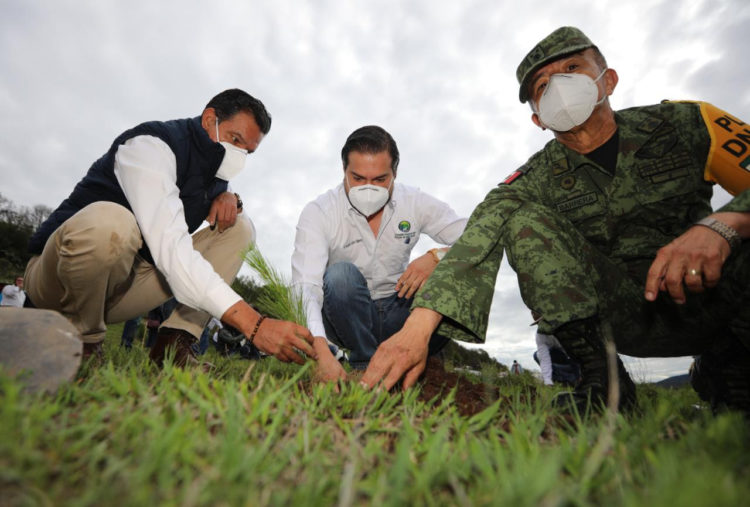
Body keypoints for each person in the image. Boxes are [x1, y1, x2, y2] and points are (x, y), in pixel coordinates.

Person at [361, 26, 750, 415]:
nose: (559, 87)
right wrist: (416, 331)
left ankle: (729, 365)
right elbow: (477, 240)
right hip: (622, 316)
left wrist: (723, 225)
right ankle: (604, 383)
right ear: (538, 119)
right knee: (522, 221)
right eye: (542, 86)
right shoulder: (531, 181)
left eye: (572, 68)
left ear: (608, 80)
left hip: (718, 294)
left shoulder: (689, 123)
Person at [24, 89, 317, 368]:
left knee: (240, 229)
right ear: (209, 120)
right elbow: (171, 248)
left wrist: (229, 196)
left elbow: (201, 193)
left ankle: (174, 344)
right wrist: (254, 324)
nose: (239, 154)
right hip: (59, 281)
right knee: (112, 224)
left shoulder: (215, 177)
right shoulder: (150, 146)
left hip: (123, 288)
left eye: (248, 151)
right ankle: (83, 341)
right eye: (235, 139)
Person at [292, 125, 467, 381]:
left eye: (380, 180)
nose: (368, 189)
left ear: (395, 173)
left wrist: (436, 258)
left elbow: (476, 238)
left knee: (455, 274)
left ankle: (416, 357)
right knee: (340, 277)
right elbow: (306, 286)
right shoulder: (319, 212)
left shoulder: (415, 201)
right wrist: (320, 351)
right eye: (358, 178)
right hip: (346, 317)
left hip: (400, 308)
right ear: (344, 171)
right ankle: (365, 365)